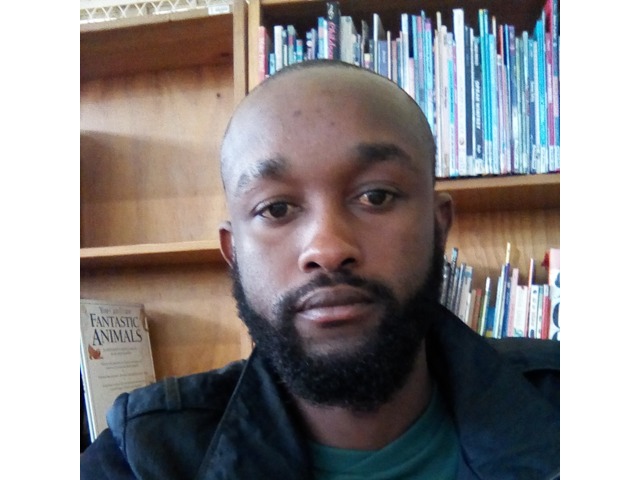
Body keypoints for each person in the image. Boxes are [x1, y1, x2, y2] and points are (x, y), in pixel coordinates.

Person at [80, 60, 560, 479]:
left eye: (376, 196)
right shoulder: (142, 457)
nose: (328, 249)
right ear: (234, 252)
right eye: (276, 209)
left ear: (438, 226)